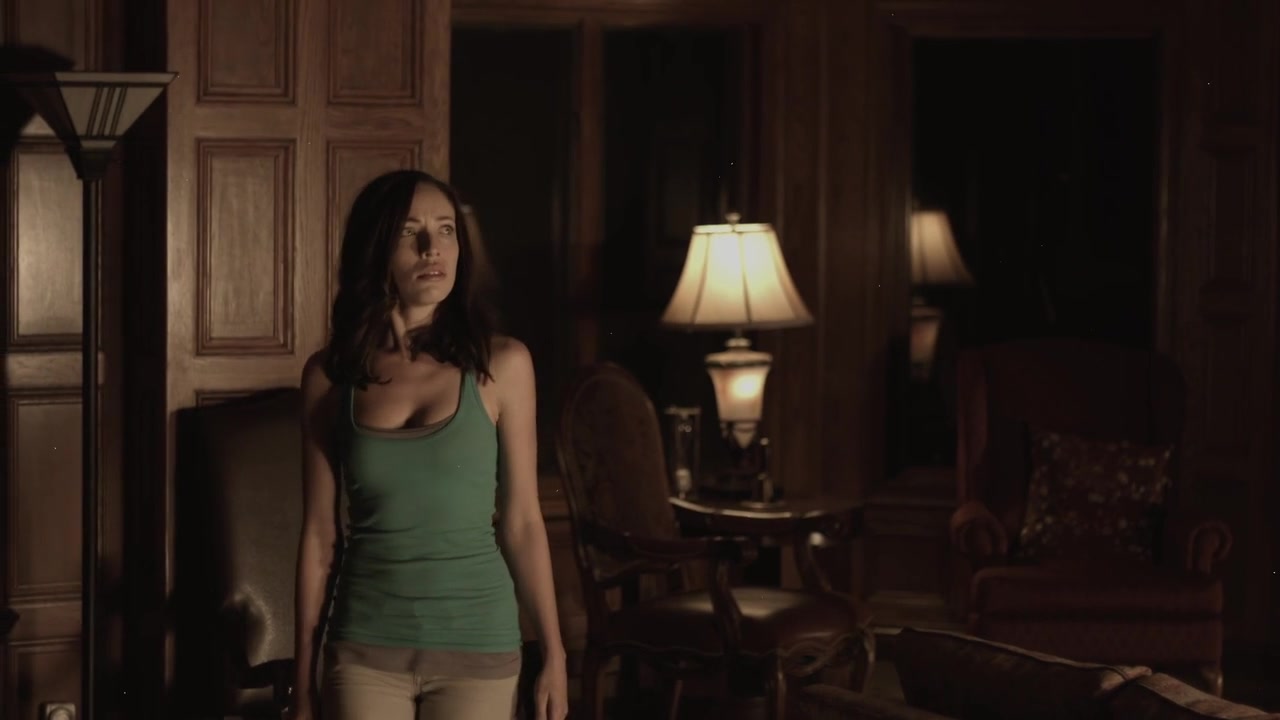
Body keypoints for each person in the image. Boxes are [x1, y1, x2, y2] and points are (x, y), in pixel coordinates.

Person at [287, 169, 568, 720]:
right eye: (408, 231)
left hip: (477, 644)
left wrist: (555, 655)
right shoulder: (330, 375)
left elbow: (522, 523)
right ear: (376, 249)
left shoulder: (502, 364)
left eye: (445, 230)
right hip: (364, 644)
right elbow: (319, 536)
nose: (430, 248)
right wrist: (303, 680)